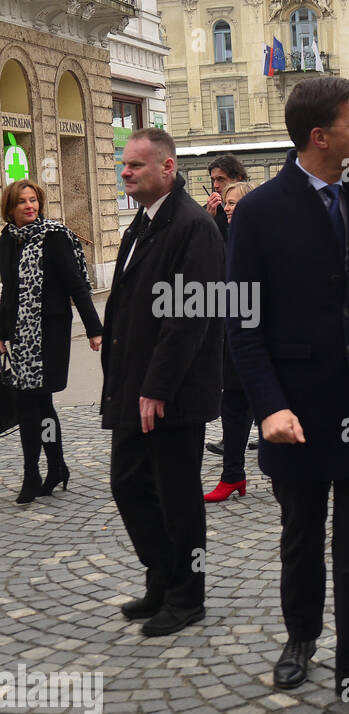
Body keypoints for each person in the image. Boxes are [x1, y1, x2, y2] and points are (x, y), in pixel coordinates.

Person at [227, 76, 349, 714]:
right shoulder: (257, 214)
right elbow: (242, 323)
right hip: (297, 411)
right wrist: (268, 406)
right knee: (300, 535)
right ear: (321, 137)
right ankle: (301, 635)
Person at [101, 128, 224, 636]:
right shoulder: (143, 222)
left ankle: (187, 594)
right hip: (135, 385)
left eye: (135, 165)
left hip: (172, 393)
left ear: (167, 168)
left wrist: (158, 386)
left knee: (177, 498)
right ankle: (161, 577)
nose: (125, 172)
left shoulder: (193, 227)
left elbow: (190, 318)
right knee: (129, 485)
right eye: (123, 165)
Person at [0, 180, 102, 503]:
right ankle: (55, 466)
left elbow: (76, 285)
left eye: (33, 200)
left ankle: (33, 473)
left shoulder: (53, 237)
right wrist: (2, 332)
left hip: (49, 333)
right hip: (20, 333)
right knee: (39, 404)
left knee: (29, 402)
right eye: (22, 202)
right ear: (11, 209)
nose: (30, 206)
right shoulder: (7, 240)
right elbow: (9, 291)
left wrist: (94, 328)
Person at [205, 181, 258, 503]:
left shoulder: (260, 239)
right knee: (234, 406)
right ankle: (232, 475)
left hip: (260, 336)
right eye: (227, 202)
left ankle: (316, 465)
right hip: (230, 334)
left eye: (235, 202)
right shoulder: (221, 235)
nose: (228, 206)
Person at [205, 155, 247, 241]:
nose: (215, 185)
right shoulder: (210, 210)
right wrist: (208, 219)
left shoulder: (256, 206)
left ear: (238, 179)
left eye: (221, 179)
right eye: (213, 180)